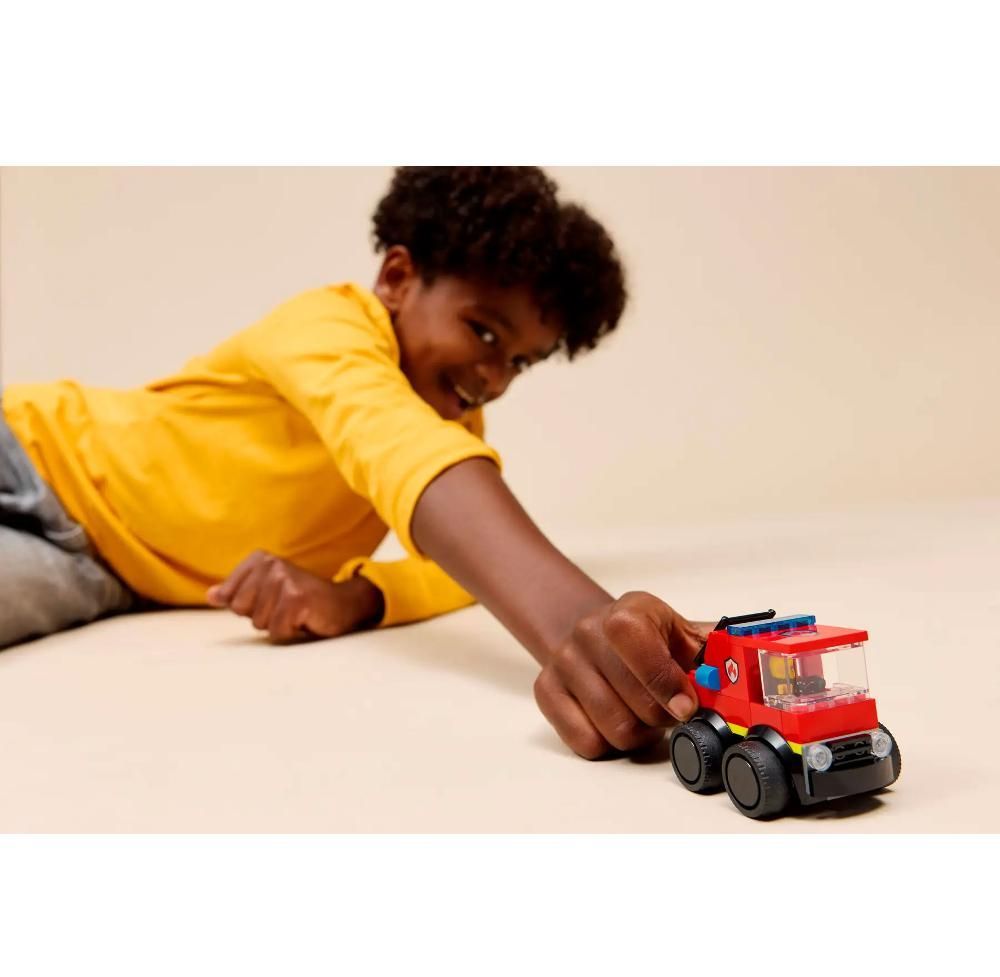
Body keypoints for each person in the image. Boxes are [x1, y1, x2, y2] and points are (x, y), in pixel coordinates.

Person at [0, 166, 707, 759]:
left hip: (104, 573)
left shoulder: (447, 419)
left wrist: (357, 596)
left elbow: (456, 565)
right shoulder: (328, 328)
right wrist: (587, 621)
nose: (494, 377)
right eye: (484, 332)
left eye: (519, 361)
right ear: (397, 277)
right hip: (29, 453)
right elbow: (399, 448)